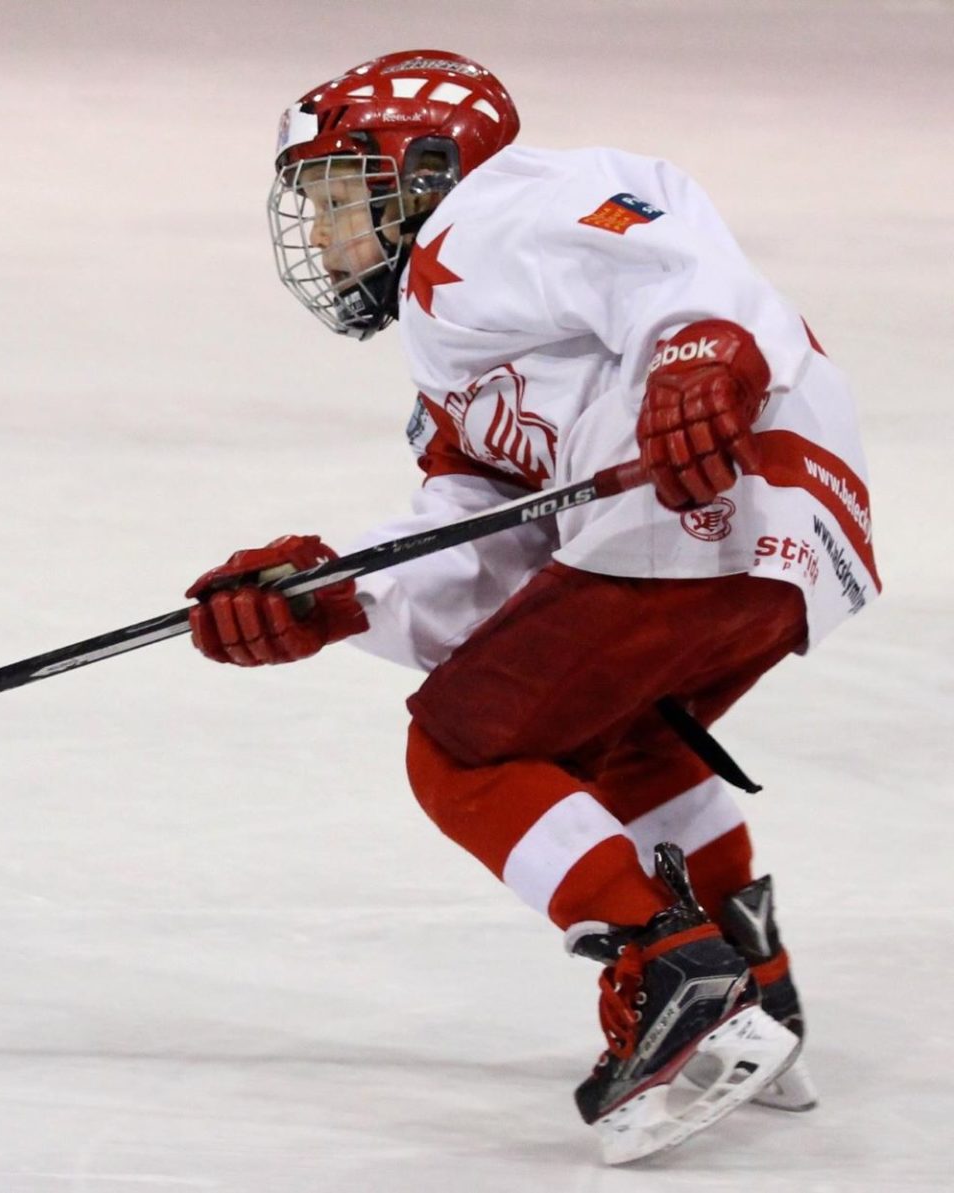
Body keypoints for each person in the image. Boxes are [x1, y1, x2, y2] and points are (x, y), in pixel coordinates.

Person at [185, 49, 880, 1164]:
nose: (320, 231)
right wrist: (333, 594)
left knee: (462, 748)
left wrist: (701, 360)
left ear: (420, 170)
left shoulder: (497, 212)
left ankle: (678, 978)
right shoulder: (452, 362)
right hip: (780, 529)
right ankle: (756, 981)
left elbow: (670, 250)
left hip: (713, 486)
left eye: (336, 193)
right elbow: (488, 542)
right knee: (616, 740)